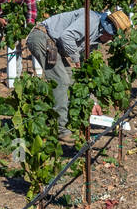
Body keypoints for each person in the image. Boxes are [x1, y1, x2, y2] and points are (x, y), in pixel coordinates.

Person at [26, 8, 131, 141]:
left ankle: (58, 119)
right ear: (108, 31)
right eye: (112, 36)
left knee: (71, 79)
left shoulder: (97, 38)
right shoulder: (91, 20)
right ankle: (61, 130)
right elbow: (67, 37)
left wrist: (93, 101)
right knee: (61, 81)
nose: (110, 40)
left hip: (53, 45)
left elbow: (84, 71)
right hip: (42, 37)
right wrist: (75, 59)